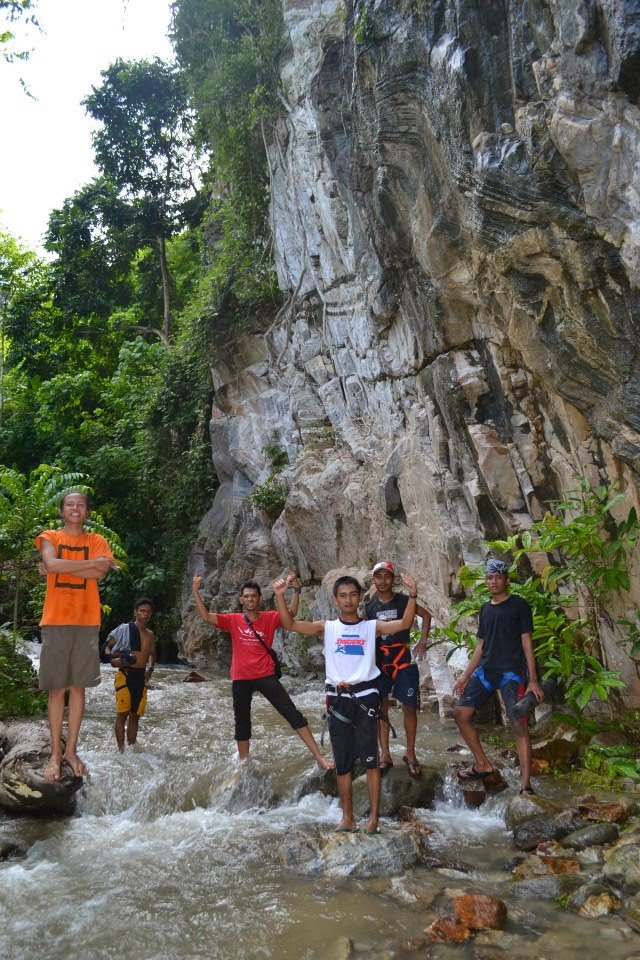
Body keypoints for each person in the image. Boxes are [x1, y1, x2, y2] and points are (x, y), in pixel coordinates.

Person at [273, 571, 418, 834]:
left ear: (360, 597)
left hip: (365, 699)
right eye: (343, 596)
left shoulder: (370, 627)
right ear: (335, 599)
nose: (348, 600)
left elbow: (405, 623)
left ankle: (373, 818)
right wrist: (281, 595)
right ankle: (348, 817)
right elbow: (289, 624)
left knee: (371, 760)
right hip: (338, 701)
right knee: (342, 762)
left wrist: (413, 594)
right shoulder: (326, 628)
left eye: (353, 595)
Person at [191, 574, 333, 770]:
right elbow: (206, 616)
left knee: (293, 714)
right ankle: (243, 765)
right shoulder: (232, 620)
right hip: (241, 678)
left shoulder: (270, 617)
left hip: (266, 675)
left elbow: (290, 615)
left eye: (253, 596)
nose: (250, 599)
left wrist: (296, 591)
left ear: (259, 599)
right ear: (241, 600)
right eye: (246, 596)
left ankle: (319, 757)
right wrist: (195, 591)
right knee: (242, 723)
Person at [35, 490, 120, 780]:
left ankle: (71, 751)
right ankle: (55, 756)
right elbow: (53, 563)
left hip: (86, 621)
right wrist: (86, 565)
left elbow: (99, 573)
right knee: (57, 689)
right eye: (70, 504)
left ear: (87, 512)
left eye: (81, 505)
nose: (75, 508)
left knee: (78, 689)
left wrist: (58, 568)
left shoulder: (97, 540)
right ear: (62, 511)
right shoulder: (50, 536)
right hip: (55, 620)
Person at [452, 559, 544, 795]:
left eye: (498, 577)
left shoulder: (518, 605)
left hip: (511, 673)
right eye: (490, 577)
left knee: (519, 725)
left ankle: (525, 785)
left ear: (506, 580)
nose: (493, 581)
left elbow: (526, 642)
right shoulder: (485, 608)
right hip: (486, 671)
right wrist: (464, 676)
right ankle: (483, 764)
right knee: (461, 714)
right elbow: (481, 645)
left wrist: (532, 679)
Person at [364, 560, 432, 776]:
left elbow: (426, 615)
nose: (383, 581)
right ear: (373, 580)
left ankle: (410, 753)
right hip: (380, 661)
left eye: (387, 576)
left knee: (409, 706)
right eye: (379, 577)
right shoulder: (370, 607)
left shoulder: (403, 601)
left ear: (392, 580)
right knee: (380, 708)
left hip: (402, 658)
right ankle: (385, 755)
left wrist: (422, 641)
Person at [104, 598, 157, 751]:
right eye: (142, 611)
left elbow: (153, 654)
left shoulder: (150, 635)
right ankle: (121, 750)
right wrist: (112, 660)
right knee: (122, 714)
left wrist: (150, 670)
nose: (145, 614)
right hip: (125, 674)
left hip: (141, 676)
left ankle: (131, 750)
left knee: (135, 715)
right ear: (135, 612)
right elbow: (107, 646)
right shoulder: (124, 628)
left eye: (148, 612)